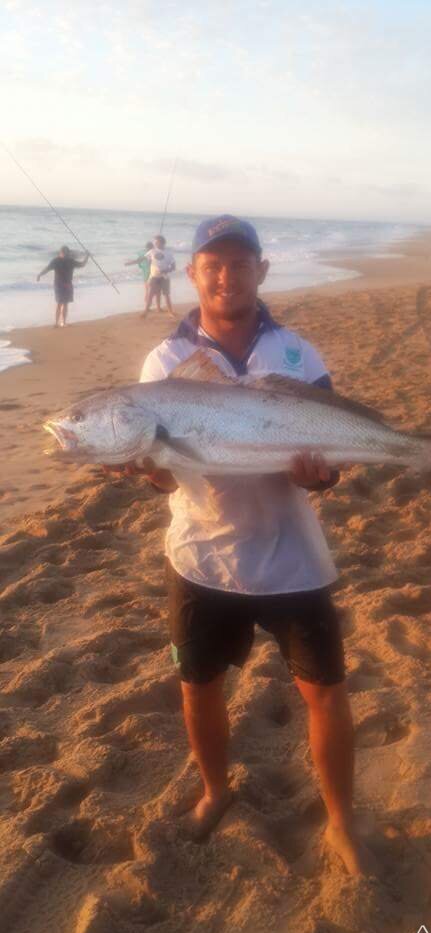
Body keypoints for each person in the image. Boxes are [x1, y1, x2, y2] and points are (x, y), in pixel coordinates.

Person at [112, 215, 367, 876]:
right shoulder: (164, 362)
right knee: (199, 687)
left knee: (325, 689)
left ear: (261, 272)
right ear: (192, 273)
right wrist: (149, 468)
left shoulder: (298, 355)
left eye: (240, 263)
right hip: (200, 554)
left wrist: (324, 474)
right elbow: (167, 474)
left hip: (293, 557)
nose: (226, 275)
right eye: (213, 264)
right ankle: (217, 790)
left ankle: (341, 821)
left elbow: (331, 461)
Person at [37, 245, 89, 327]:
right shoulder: (59, 261)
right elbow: (47, 269)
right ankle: (58, 323)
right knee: (61, 303)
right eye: (64, 252)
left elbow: (82, 265)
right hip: (61, 284)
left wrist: (87, 257)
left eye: (66, 253)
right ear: (61, 252)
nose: (65, 254)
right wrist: (40, 274)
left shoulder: (64, 261)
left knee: (64, 303)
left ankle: (62, 323)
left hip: (65, 284)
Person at [141, 235, 176, 320]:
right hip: (154, 277)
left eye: (156, 242)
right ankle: (145, 312)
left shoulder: (168, 253)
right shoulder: (152, 251)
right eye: (154, 242)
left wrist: (166, 270)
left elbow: (173, 267)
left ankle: (170, 312)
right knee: (150, 295)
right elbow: (143, 258)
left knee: (166, 295)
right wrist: (132, 262)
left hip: (164, 277)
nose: (155, 243)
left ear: (162, 243)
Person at [124, 241, 161, 312]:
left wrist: (128, 263)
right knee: (154, 291)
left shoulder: (143, 253)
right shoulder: (153, 252)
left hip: (146, 273)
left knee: (147, 291)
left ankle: (149, 307)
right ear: (152, 247)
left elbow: (138, 260)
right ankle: (153, 307)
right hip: (152, 274)